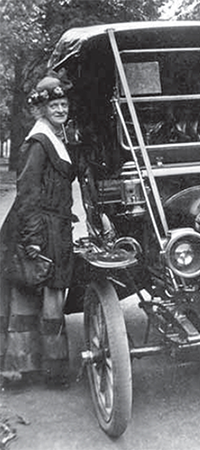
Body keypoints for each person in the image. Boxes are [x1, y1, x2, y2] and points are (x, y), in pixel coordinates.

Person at [0, 73, 75, 387]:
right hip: (37, 226)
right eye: (54, 105)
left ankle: (41, 369)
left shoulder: (55, 136)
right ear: (42, 110)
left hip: (53, 224)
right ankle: (24, 370)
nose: (60, 109)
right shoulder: (38, 142)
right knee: (34, 293)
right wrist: (32, 240)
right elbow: (27, 193)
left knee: (45, 295)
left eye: (63, 103)